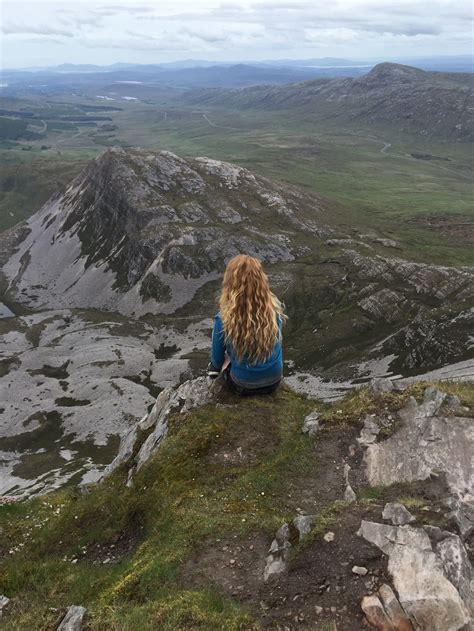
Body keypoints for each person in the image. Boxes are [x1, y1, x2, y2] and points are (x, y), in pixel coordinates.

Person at [207, 254, 286, 395]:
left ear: (230, 282)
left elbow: (217, 359)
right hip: (274, 381)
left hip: (242, 385)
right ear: (261, 280)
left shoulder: (224, 317)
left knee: (226, 357)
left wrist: (215, 368)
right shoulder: (274, 308)